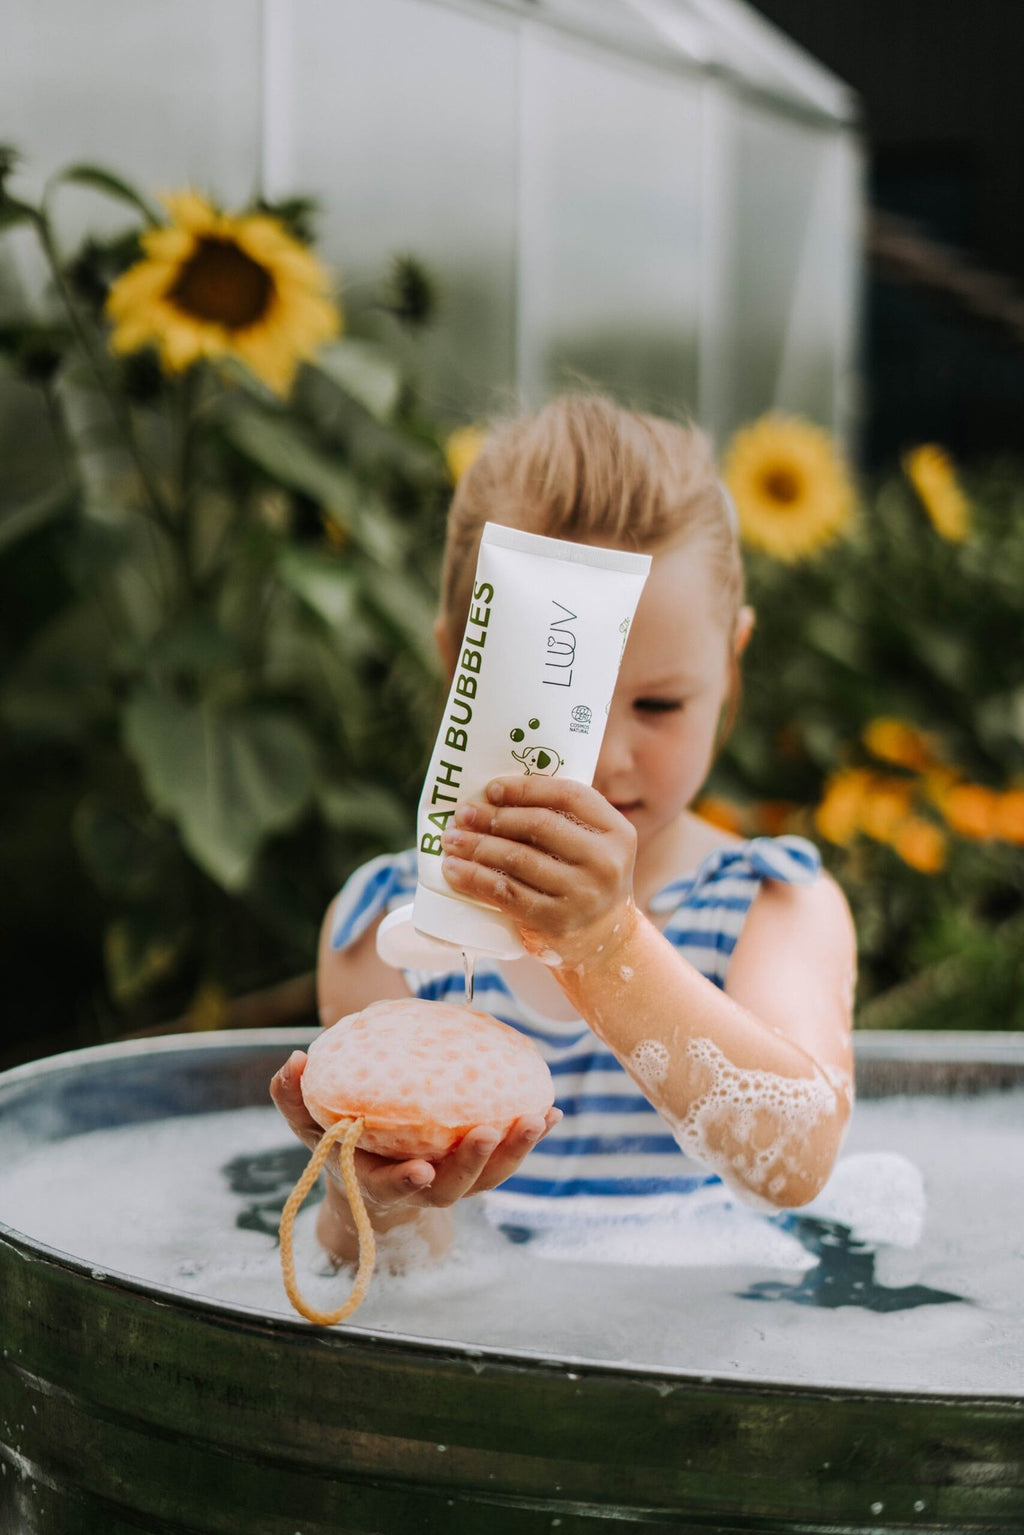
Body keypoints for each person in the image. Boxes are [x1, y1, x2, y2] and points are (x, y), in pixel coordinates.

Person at [271, 395, 856, 1268]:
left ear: (730, 663)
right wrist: (380, 1206)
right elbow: (400, 1275)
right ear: (456, 664)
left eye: (659, 704)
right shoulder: (388, 933)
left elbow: (794, 1160)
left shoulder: (775, 903)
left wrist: (604, 944)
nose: (607, 760)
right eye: (557, 712)